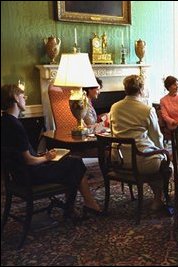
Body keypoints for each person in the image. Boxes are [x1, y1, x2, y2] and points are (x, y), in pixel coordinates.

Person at [1, 84, 102, 217]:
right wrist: (46, 158)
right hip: (31, 175)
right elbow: (29, 160)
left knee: (70, 162)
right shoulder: (15, 125)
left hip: (19, 175)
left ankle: (72, 206)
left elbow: (21, 155)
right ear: (15, 98)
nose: (25, 100)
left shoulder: (5, 122)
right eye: (23, 97)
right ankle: (85, 204)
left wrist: (43, 155)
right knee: (75, 164)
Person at [109, 74, 167, 210]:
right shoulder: (147, 110)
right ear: (141, 89)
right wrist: (162, 153)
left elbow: (113, 133)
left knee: (155, 157)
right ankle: (158, 198)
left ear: (125, 89)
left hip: (119, 160)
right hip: (142, 161)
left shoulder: (114, 108)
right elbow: (157, 137)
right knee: (163, 164)